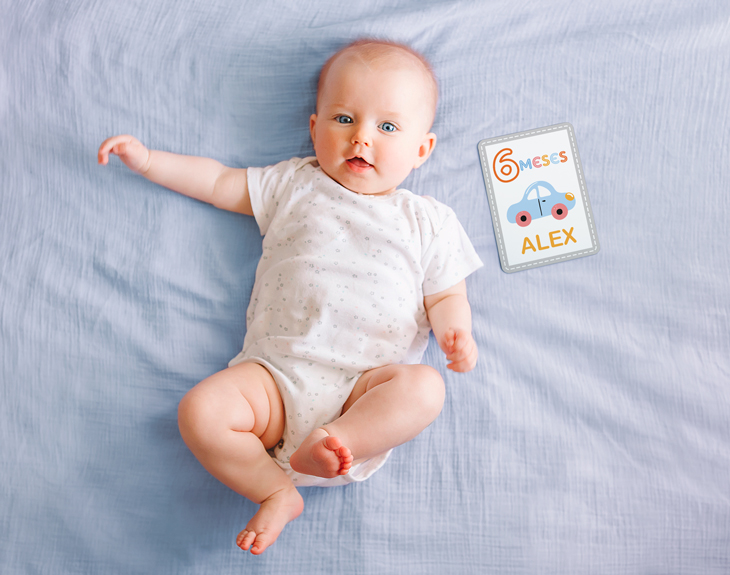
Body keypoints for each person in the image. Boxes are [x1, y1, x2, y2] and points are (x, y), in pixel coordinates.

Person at [98, 39, 483, 555]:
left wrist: (456, 330)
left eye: (387, 127)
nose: (361, 137)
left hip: (363, 388)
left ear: (422, 150)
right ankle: (276, 491)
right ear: (314, 127)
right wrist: (148, 161)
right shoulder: (295, 184)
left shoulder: (428, 220)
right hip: (275, 381)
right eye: (344, 119)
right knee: (200, 411)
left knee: (425, 389)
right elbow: (217, 181)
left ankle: (340, 440)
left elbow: (448, 292)